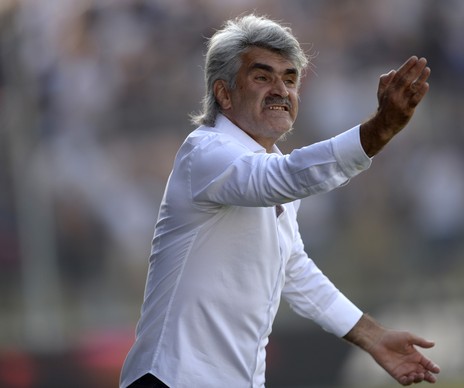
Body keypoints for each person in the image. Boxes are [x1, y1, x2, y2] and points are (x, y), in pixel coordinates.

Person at [120, 14, 440, 388]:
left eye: (290, 79)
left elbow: (294, 270)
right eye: (262, 77)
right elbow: (282, 179)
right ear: (224, 93)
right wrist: (379, 129)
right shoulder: (205, 151)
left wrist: (373, 336)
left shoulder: (270, 170)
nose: (280, 90)